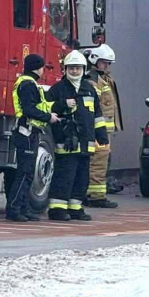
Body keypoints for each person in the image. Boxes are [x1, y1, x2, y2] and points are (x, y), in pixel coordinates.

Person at [46, 50, 98, 221]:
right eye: (71, 68)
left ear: (83, 69)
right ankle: (57, 209)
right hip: (66, 142)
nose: (75, 71)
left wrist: (102, 136)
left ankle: (75, 208)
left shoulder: (89, 89)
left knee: (82, 177)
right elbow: (45, 107)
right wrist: (62, 104)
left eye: (78, 68)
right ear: (65, 69)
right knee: (64, 176)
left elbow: (97, 115)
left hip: (85, 143)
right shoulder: (58, 88)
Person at [8, 54, 58, 222]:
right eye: (42, 67)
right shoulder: (28, 84)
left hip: (29, 132)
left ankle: (24, 209)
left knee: (27, 173)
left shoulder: (27, 82)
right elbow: (29, 109)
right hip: (27, 133)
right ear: (38, 68)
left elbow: (37, 106)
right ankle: (14, 209)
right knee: (25, 173)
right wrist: (48, 117)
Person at [84, 44, 122, 208]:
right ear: (95, 61)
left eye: (108, 63)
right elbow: (94, 107)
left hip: (104, 131)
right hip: (97, 131)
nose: (107, 66)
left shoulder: (104, 79)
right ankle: (96, 197)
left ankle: (93, 194)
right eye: (104, 63)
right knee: (97, 164)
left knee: (100, 163)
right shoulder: (93, 81)